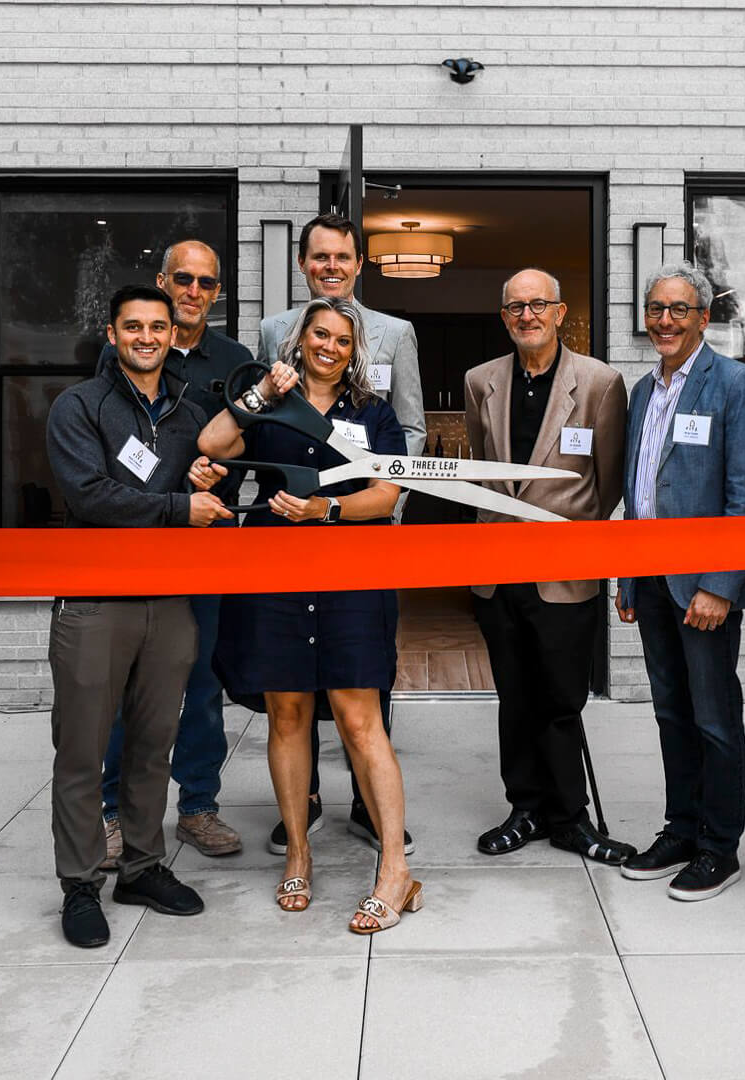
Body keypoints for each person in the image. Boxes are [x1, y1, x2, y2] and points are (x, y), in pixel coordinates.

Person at [199, 296, 422, 933]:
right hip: (275, 573)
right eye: (320, 335)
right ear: (299, 340)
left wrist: (328, 511)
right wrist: (264, 392)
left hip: (353, 574)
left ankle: (395, 872)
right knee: (288, 712)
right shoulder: (271, 401)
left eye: (343, 341)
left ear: (355, 353)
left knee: (359, 716)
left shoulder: (373, 412)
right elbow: (212, 442)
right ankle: (298, 854)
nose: (330, 347)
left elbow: (387, 493)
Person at [45, 283, 232, 948]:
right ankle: (79, 885)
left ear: (172, 335)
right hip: (95, 601)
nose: (146, 337)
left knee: (154, 743)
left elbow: (185, 491)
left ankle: (143, 869)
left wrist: (200, 483)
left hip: (168, 600)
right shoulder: (79, 406)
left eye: (157, 327)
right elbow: (90, 496)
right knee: (83, 748)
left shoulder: (188, 412)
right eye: (133, 327)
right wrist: (182, 507)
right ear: (112, 333)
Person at [258, 212, 423, 859]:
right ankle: (302, 805)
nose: (331, 266)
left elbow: (409, 428)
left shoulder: (395, 333)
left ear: (359, 263)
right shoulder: (274, 330)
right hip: (286, 542)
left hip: (363, 532)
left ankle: (366, 803)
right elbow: (258, 425)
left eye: (342, 257)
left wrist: (383, 501)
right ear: (303, 263)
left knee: (363, 679)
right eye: (320, 256)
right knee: (291, 687)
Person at [463, 268, 634, 864]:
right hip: (498, 571)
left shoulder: (600, 383)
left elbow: (608, 482)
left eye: (538, 305)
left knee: (561, 699)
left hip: (565, 570)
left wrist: (571, 537)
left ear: (560, 313)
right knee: (514, 696)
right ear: (503, 316)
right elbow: (483, 469)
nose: (527, 315)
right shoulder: (480, 381)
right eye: (515, 307)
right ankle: (525, 809)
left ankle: (570, 818)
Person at [615, 263, 745, 902]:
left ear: (704, 318)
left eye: (679, 309)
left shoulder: (735, 384)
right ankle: (680, 829)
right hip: (653, 580)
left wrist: (721, 584)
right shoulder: (641, 391)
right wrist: (628, 577)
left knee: (714, 718)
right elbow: (639, 490)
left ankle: (718, 846)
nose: (666, 321)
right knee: (670, 713)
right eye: (656, 309)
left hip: (704, 587)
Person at [97, 240, 252, 867]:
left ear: (217, 293)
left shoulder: (236, 360)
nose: (194, 291)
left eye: (206, 283)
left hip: (207, 545)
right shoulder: (123, 353)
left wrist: (221, 473)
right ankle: (113, 812)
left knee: (202, 681)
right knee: (127, 684)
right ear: (163, 282)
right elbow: (110, 442)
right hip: (137, 544)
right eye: (183, 279)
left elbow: (248, 440)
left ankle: (198, 808)